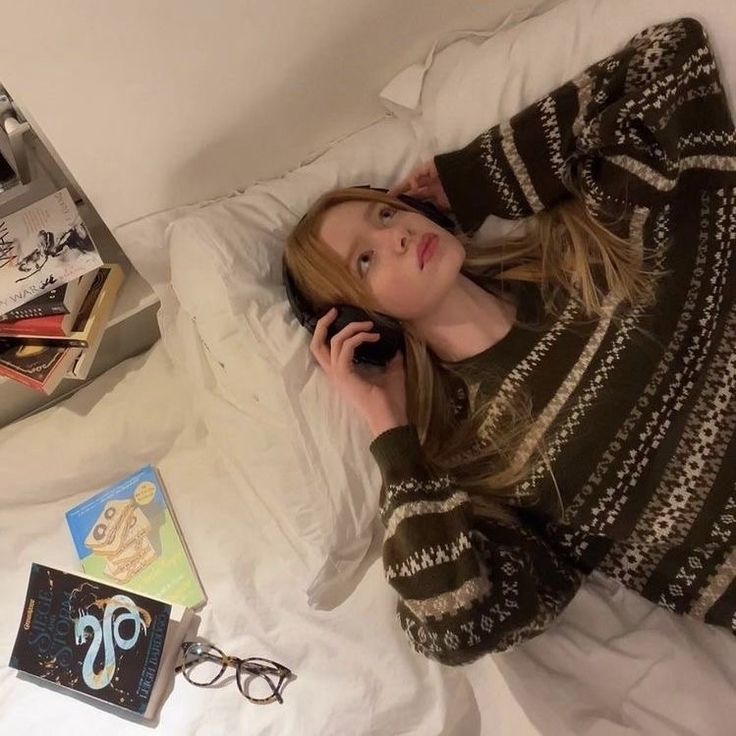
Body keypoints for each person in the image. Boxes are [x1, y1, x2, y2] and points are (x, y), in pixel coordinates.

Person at [284, 17, 736, 665]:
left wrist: (478, 177)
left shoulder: (592, 251)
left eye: (385, 214)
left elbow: (671, 61)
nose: (397, 236)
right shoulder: (474, 457)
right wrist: (391, 435)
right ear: (363, 323)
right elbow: (456, 624)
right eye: (364, 261)